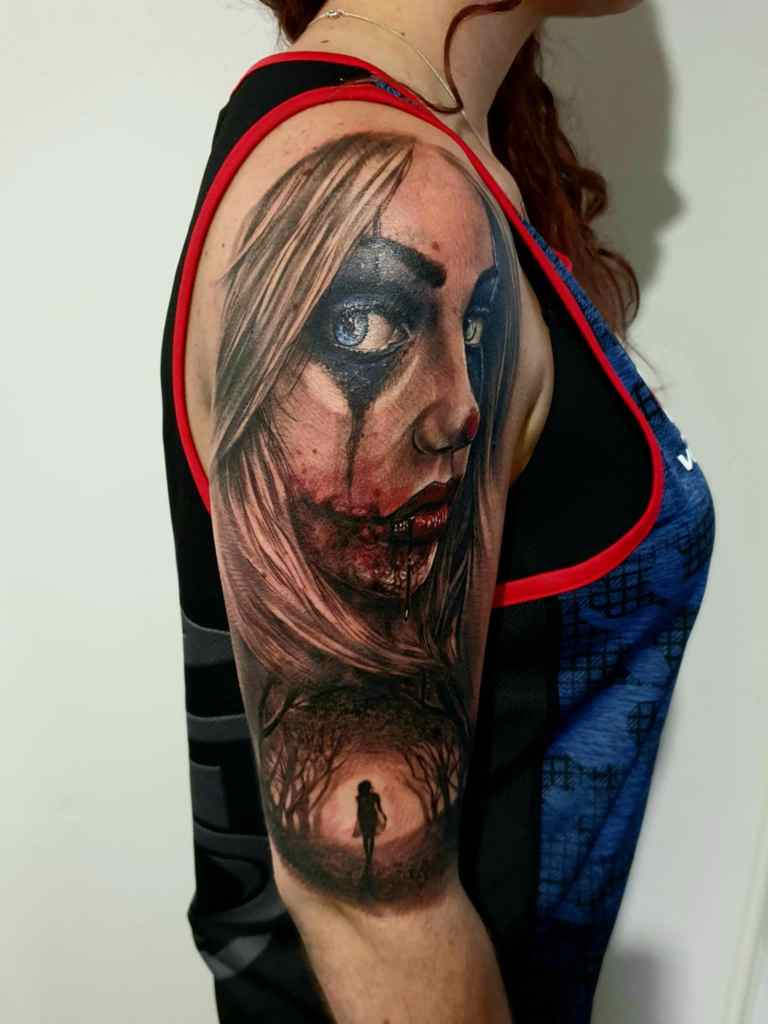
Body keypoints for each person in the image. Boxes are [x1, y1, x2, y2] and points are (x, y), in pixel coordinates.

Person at [160, 2, 715, 1021]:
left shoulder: (437, 163)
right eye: (369, 326)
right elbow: (376, 911)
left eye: (471, 333)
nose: (458, 408)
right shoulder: (386, 190)